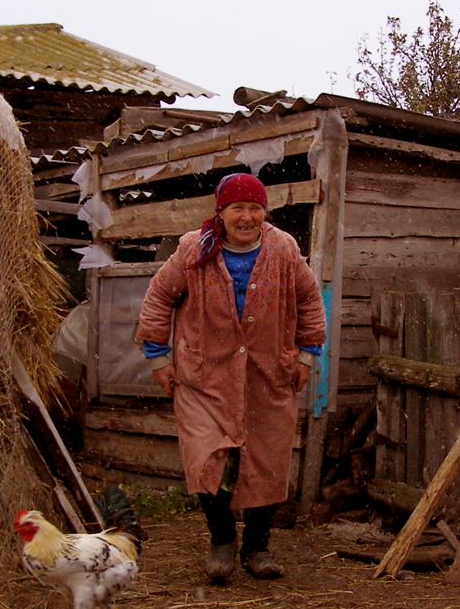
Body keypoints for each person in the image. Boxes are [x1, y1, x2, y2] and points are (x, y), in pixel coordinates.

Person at [136, 172, 326, 582]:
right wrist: (158, 357)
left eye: (255, 208)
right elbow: (159, 297)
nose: (247, 217)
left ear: (264, 212)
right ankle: (222, 540)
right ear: (220, 213)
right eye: (237, 208)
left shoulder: (284, 249)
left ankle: (258, 547)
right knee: (206, 459)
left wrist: (308, 356)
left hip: (268, 373)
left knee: (268, 459)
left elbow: (310, 300)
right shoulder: (194, 249)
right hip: (204, 377)